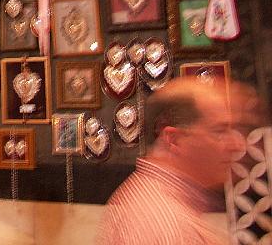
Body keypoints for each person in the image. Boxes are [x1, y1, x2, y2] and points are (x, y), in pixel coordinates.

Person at [97, 77, 247, 245]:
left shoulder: (146, 195)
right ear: (174, 140)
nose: (237, 145)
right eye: (219, 131)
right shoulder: (172, 228)